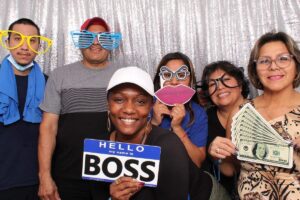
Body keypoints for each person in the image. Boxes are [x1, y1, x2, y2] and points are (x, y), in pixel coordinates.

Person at [209, 31, 300, 199]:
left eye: (283, 58)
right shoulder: (240, 112)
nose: (273, 66)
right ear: (255, 69)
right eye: (265, 61)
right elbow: (230, 170)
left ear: (296, 64)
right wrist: (219, 154)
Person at [38, 17, 121, 200]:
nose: (96, 43)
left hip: (113, 176)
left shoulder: (123, 75)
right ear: (79, 42)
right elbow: (48, 127)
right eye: (88, 37)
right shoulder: (59, 75)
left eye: (103, 38)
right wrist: (44, 176)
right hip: (67, 175)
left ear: (112, 42)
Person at [106, 66, 212, 200]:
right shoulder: (96, 147)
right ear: (108, 104)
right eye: (119, 100)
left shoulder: (168, 145)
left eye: (140, 101)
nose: (129, 109)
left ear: (150, 106)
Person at [0, 18, 51, 200]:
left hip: (37, 182)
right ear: (7, 42)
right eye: (17, 39)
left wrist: (47, 178)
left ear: (38, 45)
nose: (24, 46)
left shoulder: (49, 83)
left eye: (32, 40)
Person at [199, 61, 249, 197]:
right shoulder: (203, 118)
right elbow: (227, 170)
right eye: (212, 84)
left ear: (240, 84)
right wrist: (214, 155)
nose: (219, 87)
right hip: (218, 191)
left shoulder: (260, 111)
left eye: (226, 80)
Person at [151, 52, 208, 167]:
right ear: (159, 79)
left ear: (191, 81)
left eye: (181, 75)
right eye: (167, 75)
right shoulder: (145, 105)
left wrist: (177, 127)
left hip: (185, 175)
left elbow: (197, 162)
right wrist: (154, 122)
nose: (174, 82)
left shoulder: (198, 113)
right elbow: (134, 153)